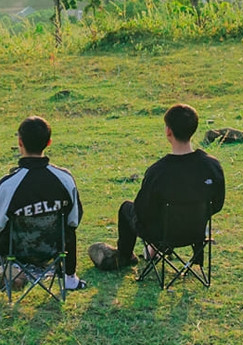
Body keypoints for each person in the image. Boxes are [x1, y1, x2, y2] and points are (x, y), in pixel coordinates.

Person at [0, 115, 83, 291]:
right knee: (68, 228)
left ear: (20, 142)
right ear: (49, 142)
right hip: (54, 247)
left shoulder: (10, 183)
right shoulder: (65, 178)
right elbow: (75, 219)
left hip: (17, 250)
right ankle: (70, 278)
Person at [89, 102, 224, 272]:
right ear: (194, 129)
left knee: (126, 208)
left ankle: (125, 255)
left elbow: (142, 211)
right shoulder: (211, 165)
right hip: (195, 230)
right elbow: (217, 204)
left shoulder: (158, 171)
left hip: (163, 235)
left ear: (168, 131)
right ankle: (154, 249)